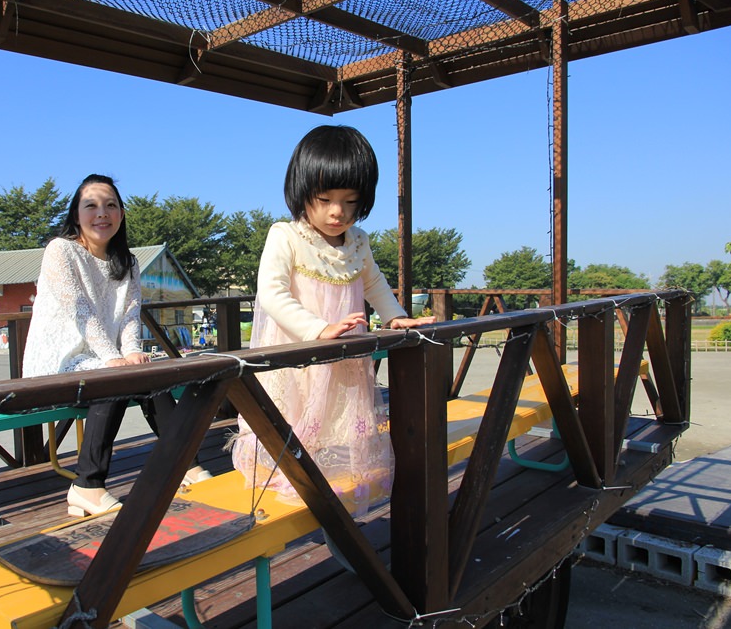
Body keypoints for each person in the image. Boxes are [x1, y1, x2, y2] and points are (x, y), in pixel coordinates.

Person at [228, 125, 435, 515]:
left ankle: (332, 511)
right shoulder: (286, 236)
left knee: (334, 423)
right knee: (295, 420)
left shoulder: (358, 242)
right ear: (301, 191)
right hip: (297, 351)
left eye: (350, 201)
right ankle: (299, 491)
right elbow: (271, 293)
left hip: (340, 354)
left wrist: (394, 317)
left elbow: (373, 282)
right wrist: (316, 329)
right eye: (324, 199)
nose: (337, 211)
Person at [22, 174, 209, 517]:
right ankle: (86, 486)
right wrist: (113, 358)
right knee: (117, 379)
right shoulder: (60, 250)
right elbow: (80, 310)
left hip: (99, 361)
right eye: (90, 205)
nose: (101, 213)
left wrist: (131, 352)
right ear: (76, 214)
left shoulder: (129, 262)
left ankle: (187, 466)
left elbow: (128, 315)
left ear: (122, 214)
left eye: (110, 205)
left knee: (148, 376)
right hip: (58, 361)